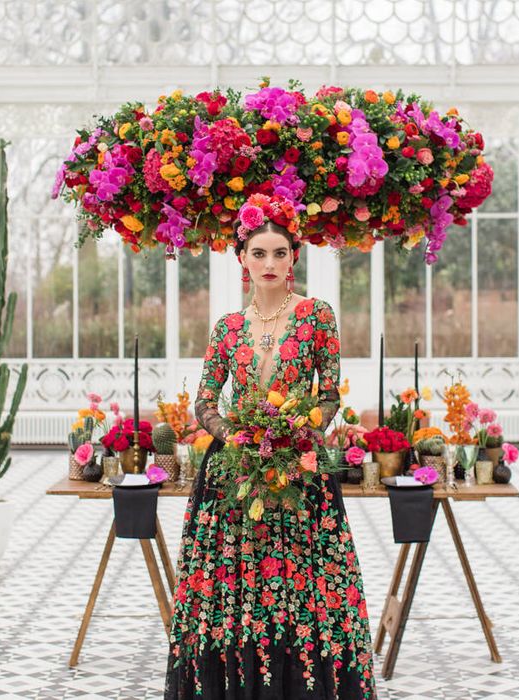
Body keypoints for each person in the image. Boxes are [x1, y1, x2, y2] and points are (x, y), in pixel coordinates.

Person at [164, 199, 376, 699]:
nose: (269, 263)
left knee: (302, 580)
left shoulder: (315, 315)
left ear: (293, 257)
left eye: (279, 253)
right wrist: (237, 436)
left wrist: (298, 433)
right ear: (241, 257)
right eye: (258, 253)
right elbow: (205, 400)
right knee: (234, 582)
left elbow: (328, 395)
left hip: (298, 466)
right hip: (233, 472)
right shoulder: (227, 327)